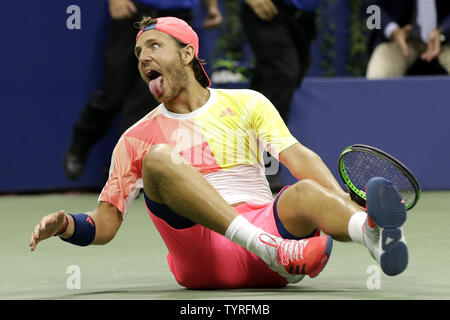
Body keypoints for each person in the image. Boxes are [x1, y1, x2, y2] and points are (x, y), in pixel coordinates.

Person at [30, 16, 409, 289]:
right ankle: (271, 247)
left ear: (187, 54)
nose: (143, 56)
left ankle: (370, 233)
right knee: (159, 158)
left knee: (304, 192)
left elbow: (298, 158)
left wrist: (342, 202)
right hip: (205, 256)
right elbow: (105, 224)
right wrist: (67, 224)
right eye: (139, 51)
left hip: (271, 240)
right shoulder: (136, 137)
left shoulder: (247, 103)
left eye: (154, 45)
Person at [64, 0, 223, 181]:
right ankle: (80, 145)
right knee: (112, 93)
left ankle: (123, 172)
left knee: (144, 101)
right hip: (133, 14)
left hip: (177, 20)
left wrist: (212, 7)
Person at [240, 0, 319, 192]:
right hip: (268, 9)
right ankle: (264, 167)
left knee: (274, 84)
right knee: (281, 77)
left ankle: (247, 162)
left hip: (302, 17)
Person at [365, 0, 450, 79]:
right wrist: (392, 31)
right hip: (399, 40)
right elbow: (369, 7)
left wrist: (443, 31)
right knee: (377, 79)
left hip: (445, 39)